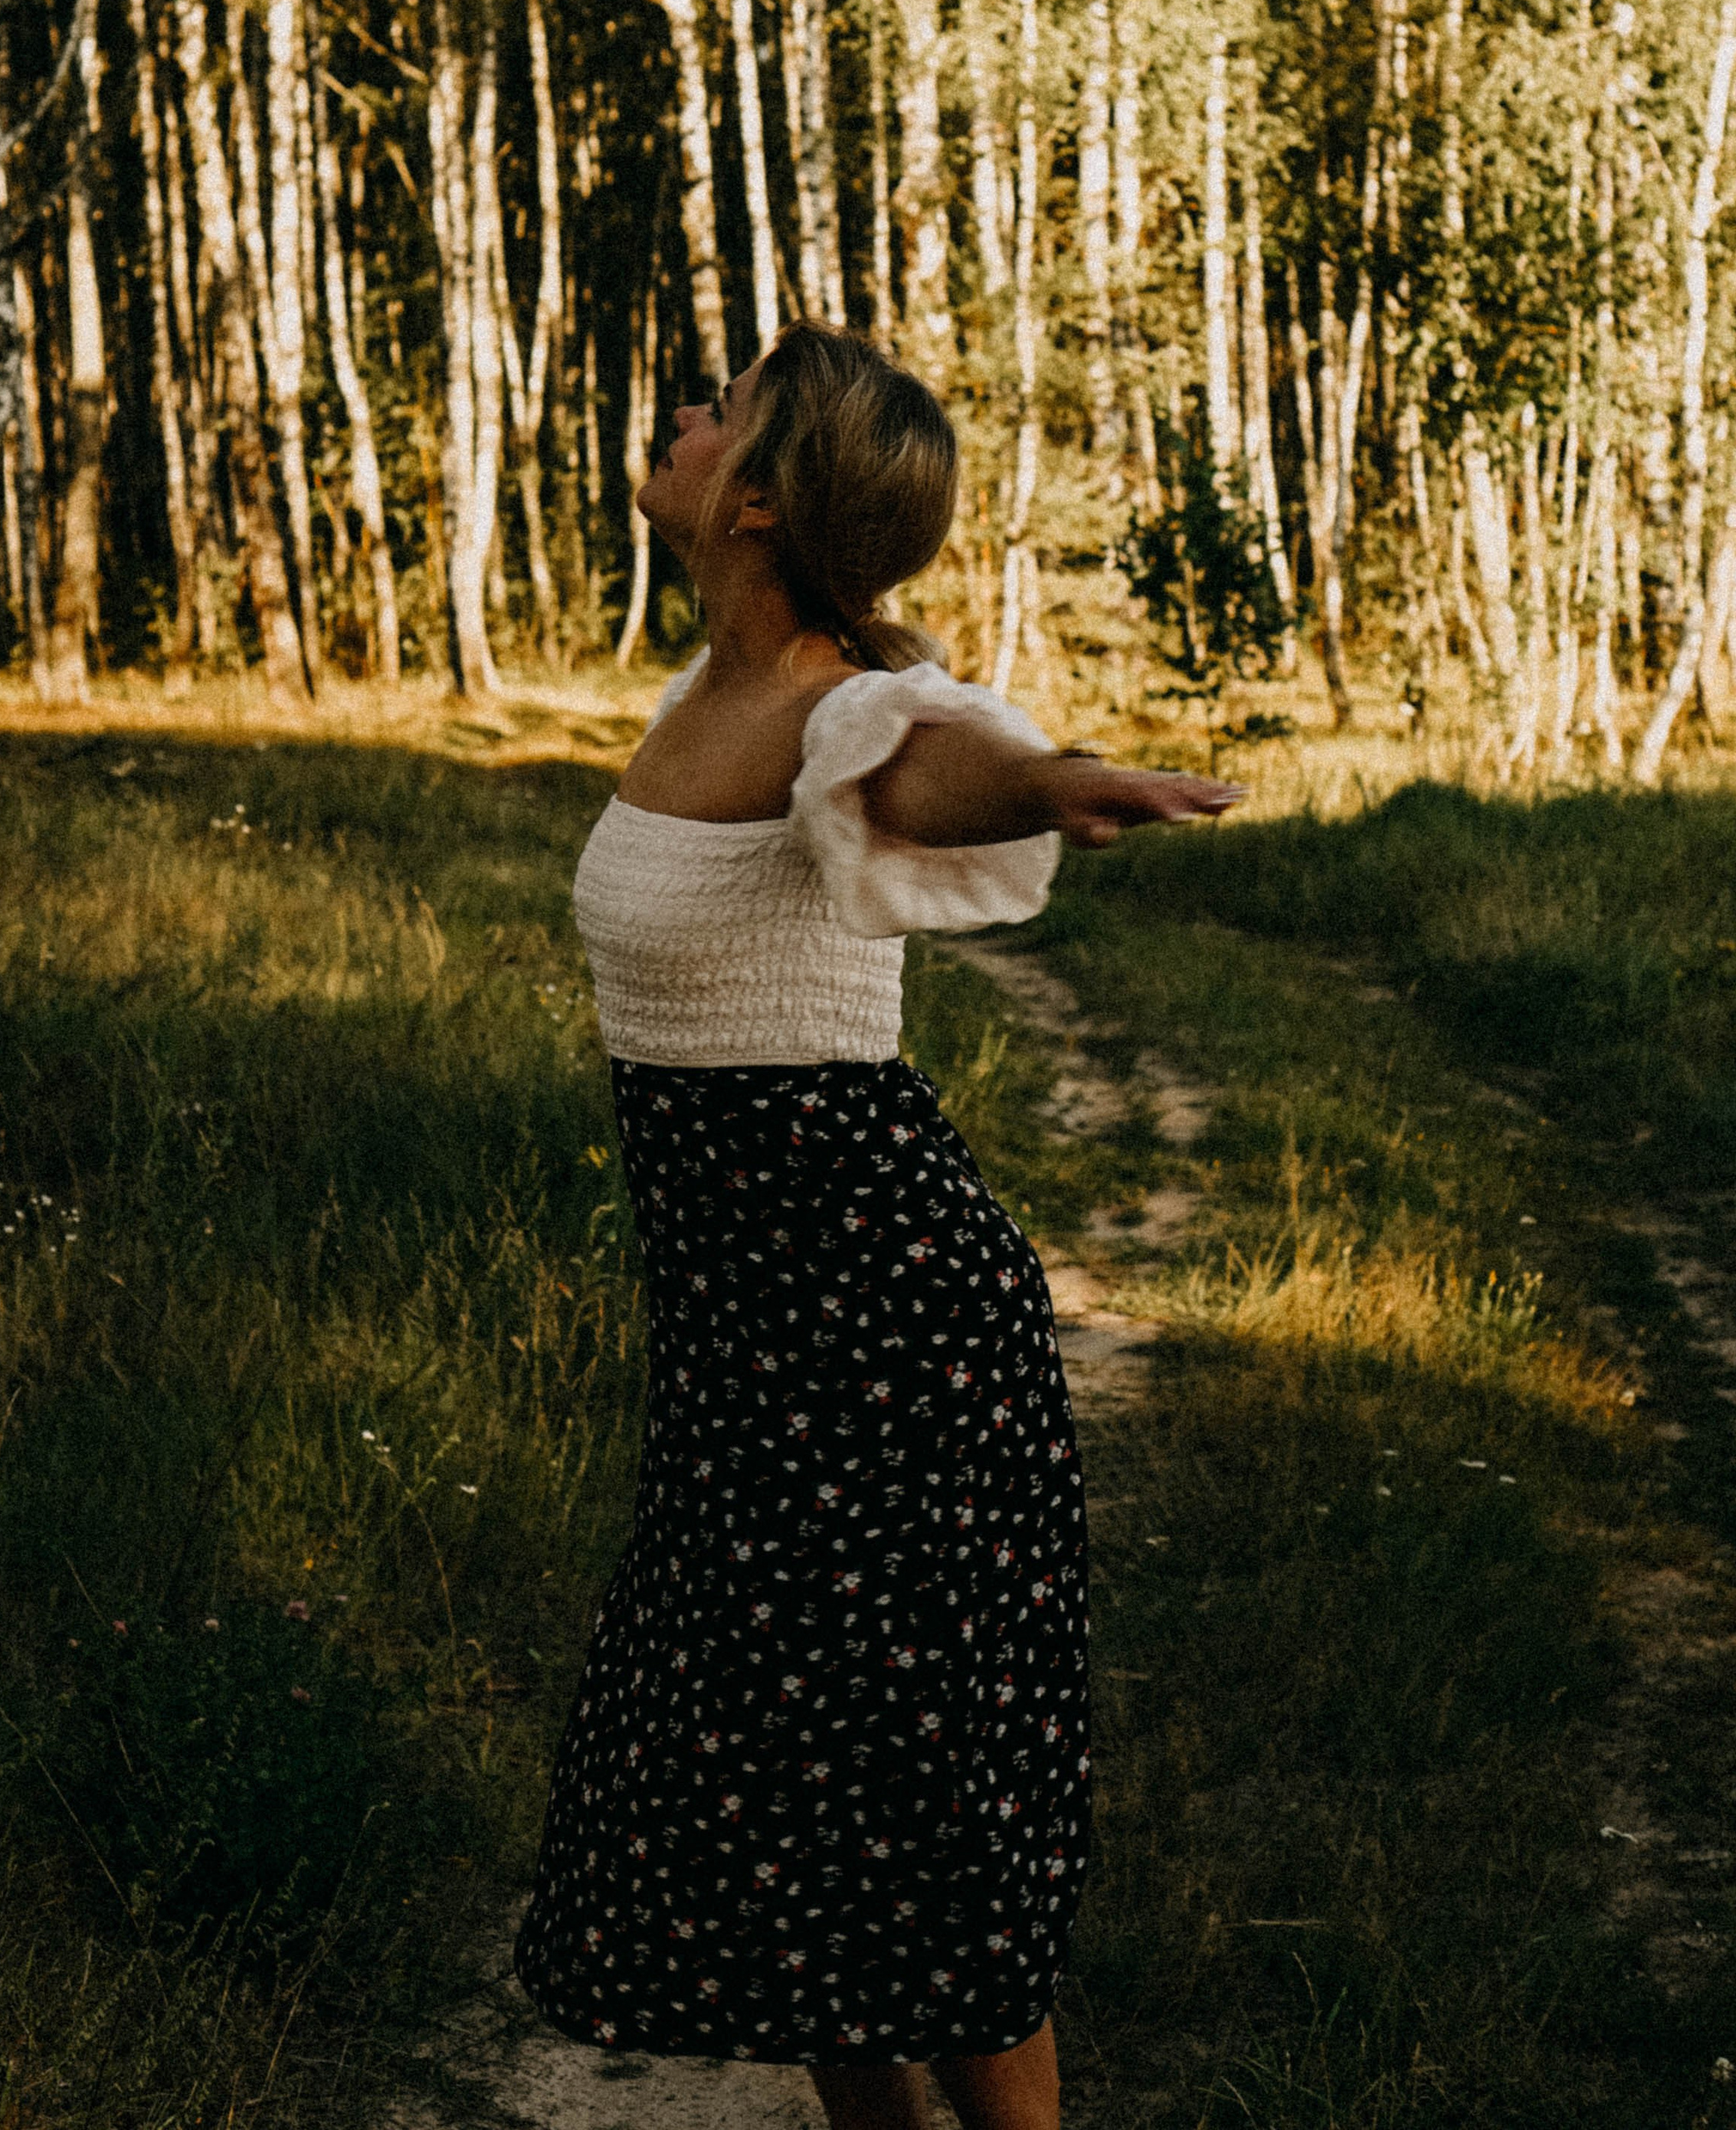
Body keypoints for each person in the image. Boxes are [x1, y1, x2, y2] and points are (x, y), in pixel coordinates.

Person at [514, 323, 1238, 2130]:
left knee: (913, 1813)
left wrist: (1045, 783)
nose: (685, 414)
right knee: (788, 1807)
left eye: (725, 409)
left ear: (762, 499)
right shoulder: (697, 694)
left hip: (879, 1323)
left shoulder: (843, 710)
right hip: (749, 1332)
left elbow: (924, 777)